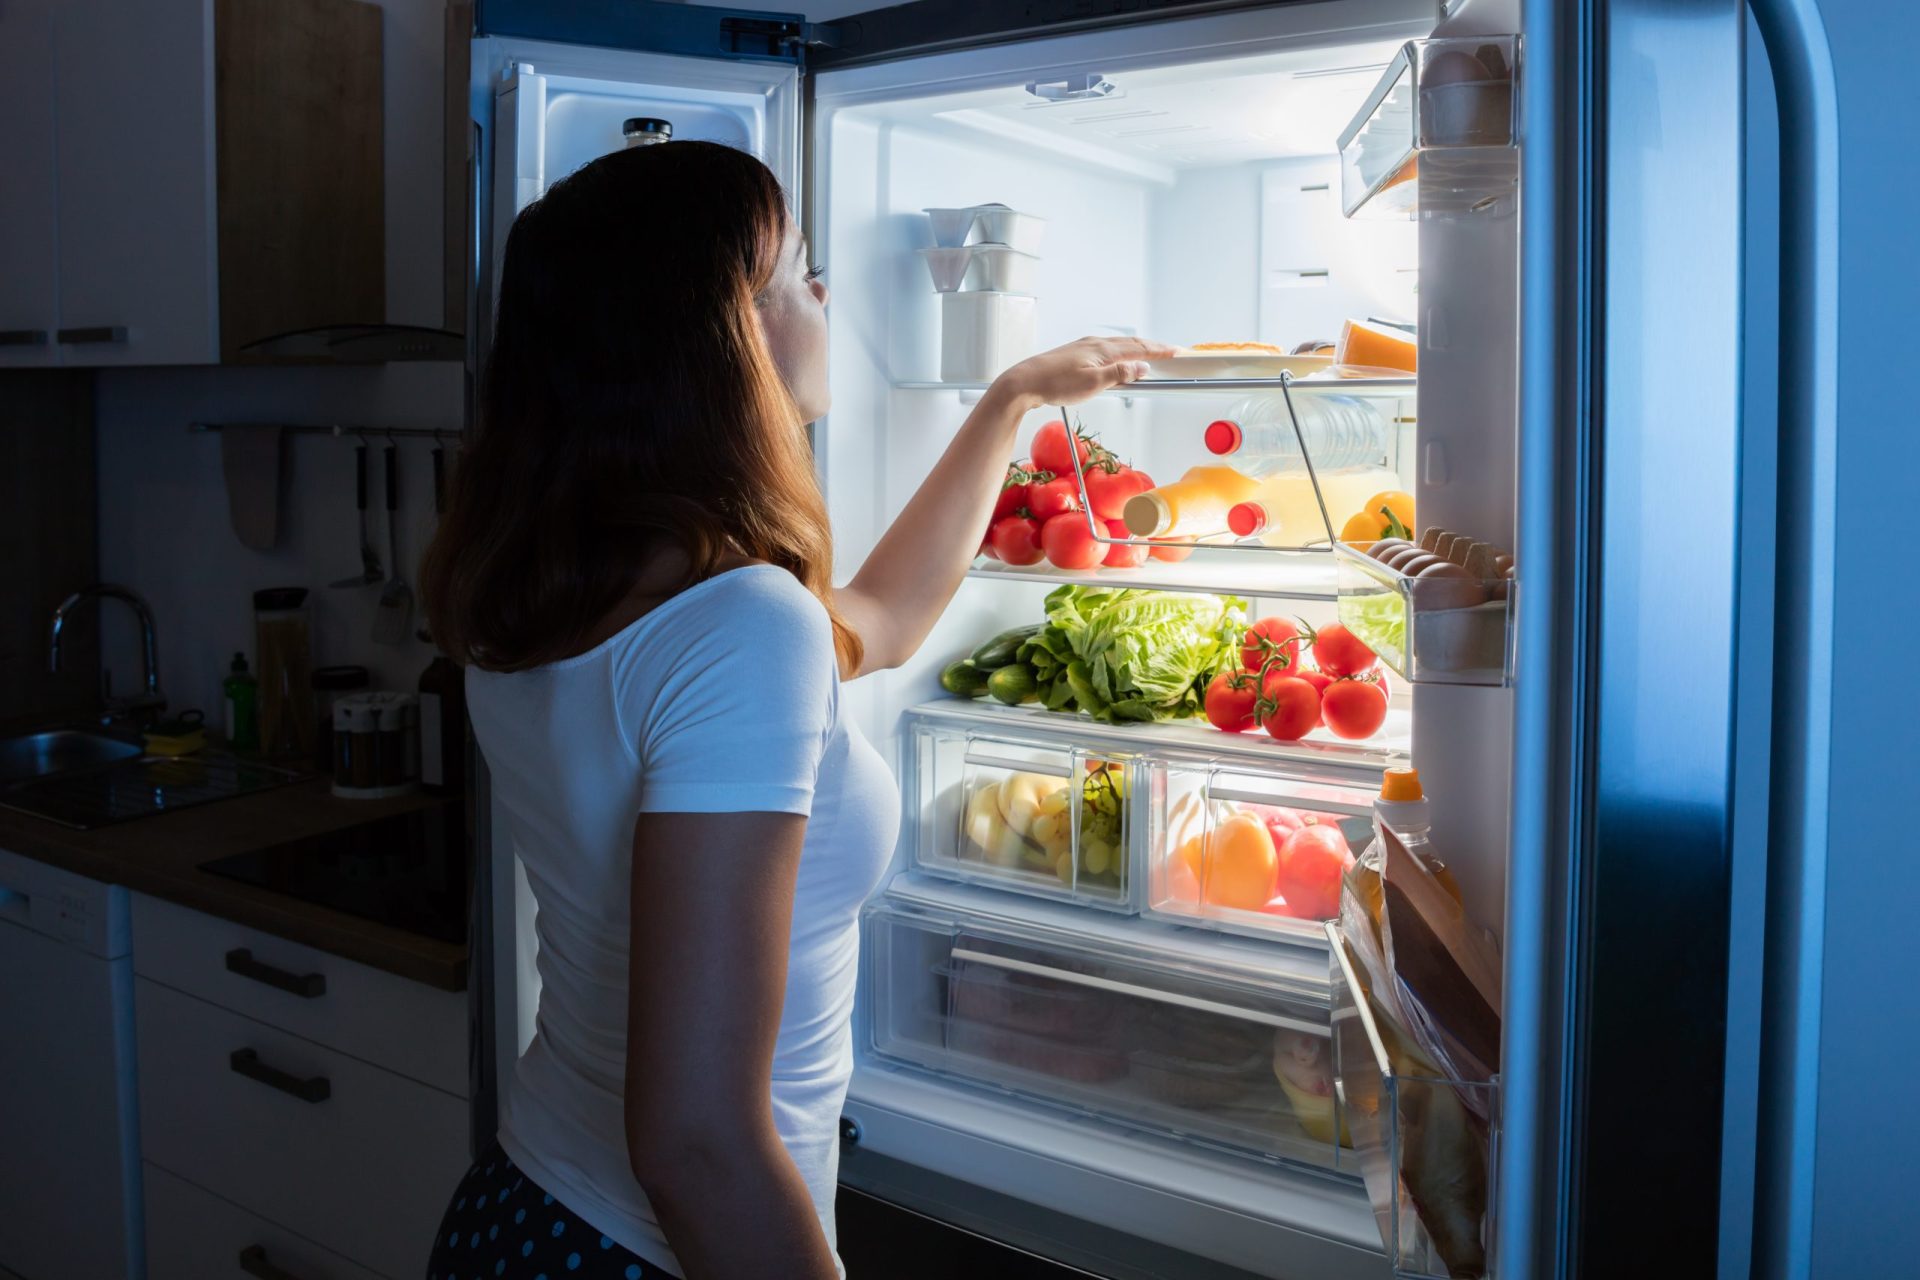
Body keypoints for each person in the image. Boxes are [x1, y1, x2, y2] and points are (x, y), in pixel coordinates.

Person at [418, 139, 1170, 1280]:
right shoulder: (738, 622)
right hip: (650, 1248)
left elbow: (883, 613)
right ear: (726, 332)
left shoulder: (550, 590)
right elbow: (695, 1141)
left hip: (524, 1207)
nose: (824, 296)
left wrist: (1012, 396)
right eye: (799, 273)